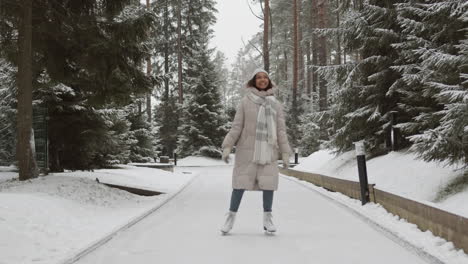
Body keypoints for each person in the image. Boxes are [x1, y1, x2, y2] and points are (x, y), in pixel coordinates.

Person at [220, 68, 292, 235]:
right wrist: (227, 146)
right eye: (259, 77)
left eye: (265, 77)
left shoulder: (275, 104)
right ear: (253, 81)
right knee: (239, 184)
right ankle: (230, 218)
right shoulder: (245, 101)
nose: (262, 80)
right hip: (246, 151)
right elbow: (237, 126)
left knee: (268, 184)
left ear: (269, 81)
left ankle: (267, 218)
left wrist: (286, 152)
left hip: (268, 149)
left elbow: (281, 130)